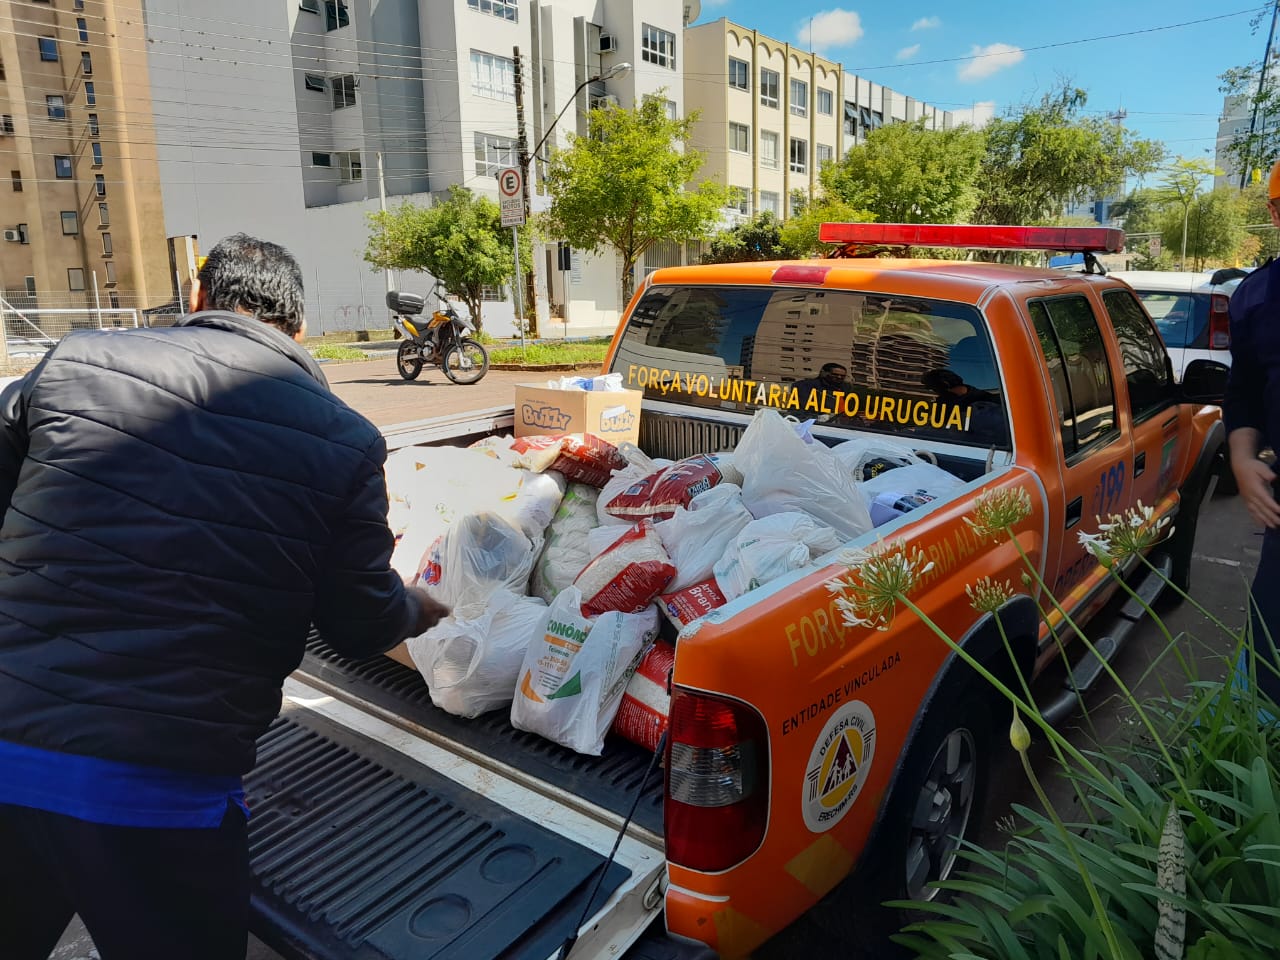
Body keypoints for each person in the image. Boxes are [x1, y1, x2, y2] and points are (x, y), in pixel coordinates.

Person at [0, 234, 449, 959]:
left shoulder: (75, 360)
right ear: (298, 329)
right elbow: (360, 623)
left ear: (202, 301)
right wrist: (416, 609)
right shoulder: (343, 440)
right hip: (158, 793)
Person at [1224, 160, 1280, 711]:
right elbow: (1243, 388)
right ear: (1274, 211)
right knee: (1267, 676)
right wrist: (1241, 456)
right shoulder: (1256, 297)